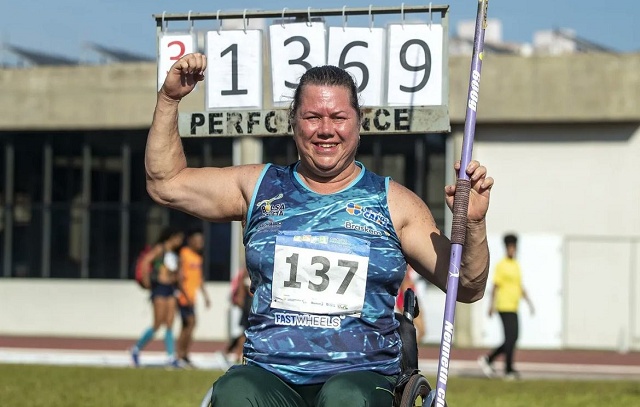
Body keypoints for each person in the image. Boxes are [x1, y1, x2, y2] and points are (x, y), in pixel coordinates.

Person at [145, 52, 493, 407]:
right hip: (270, 376)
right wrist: (169, 99)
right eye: (312, 117)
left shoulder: (395, 203)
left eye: (339, 117)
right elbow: (166, 183)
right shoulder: (258, 187)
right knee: (235, 392)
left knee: (345, 398)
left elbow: (466, 286)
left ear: (359, 123)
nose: (326, 129)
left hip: (362, 378)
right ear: (293, 122)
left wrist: (475, 223)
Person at [478, 233, 534, 380]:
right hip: (503, 305)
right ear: (506, 248)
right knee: (510, 338)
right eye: (509, 247)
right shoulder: (501, 265)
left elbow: (519, 286)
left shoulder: (516, 265)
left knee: (513, 338)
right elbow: (495, 286)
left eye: (514, 248)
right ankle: (508, 369)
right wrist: (491, 306)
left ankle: (489, 359)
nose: (512, 250)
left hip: (514, 306)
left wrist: (529, 303)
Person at [130, 226, 184, 368]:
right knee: (157, 323)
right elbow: (146, 261)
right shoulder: (161, 249)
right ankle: (136, 349)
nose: (179, 241)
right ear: (171, 237)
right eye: (178, 238)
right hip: (159, 288)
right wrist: (146, 282)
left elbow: (175, 271)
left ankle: (171, 356)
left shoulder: (175, 253)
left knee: (170, 323)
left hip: (171, 289)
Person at [176, 228, 211, 368]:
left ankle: (183, 354)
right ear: (191, 241)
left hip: (192, 297)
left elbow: (199, 279)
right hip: (184, 297)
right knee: (190, 323)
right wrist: (184, 294)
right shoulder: (184, 254)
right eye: (197, 240)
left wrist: (205, 296)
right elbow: (179, 277)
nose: (200, 243)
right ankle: (181, 354)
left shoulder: (198, 257)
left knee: (189, 325)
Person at [226, 265, 253, 364]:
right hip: (249, 302)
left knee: (245, 330)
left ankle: (237, 352)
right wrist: (241, 298)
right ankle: (237, 353)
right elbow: (244, 283)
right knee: (246, 329)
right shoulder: (247, 269)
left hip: (250, 301)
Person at [395, 265, 426, 343]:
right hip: (407, 301)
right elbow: (405, 284)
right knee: (417, 330)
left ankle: (409, 350)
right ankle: (407, 350)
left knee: (422, 331)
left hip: (415, 299)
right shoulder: (407, 267)